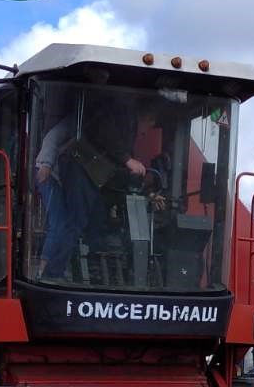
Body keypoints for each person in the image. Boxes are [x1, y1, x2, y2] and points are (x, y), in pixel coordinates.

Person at [33, 99, 159, 280]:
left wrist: (149, 193)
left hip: (77, 176)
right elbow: (53, 138)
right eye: (148, 127)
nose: (145, 133)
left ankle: (70, 270)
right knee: (63, 223)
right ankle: (49, 272)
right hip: (52, 174)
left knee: (85, 221)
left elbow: (117, 168)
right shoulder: (100, 120)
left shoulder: (121, 132)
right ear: (148, 119)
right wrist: (46, 163)